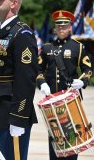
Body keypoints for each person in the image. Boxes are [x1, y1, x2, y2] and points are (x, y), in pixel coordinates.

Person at [0, 0, 38, 160]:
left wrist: (19, 117)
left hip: (10, 112)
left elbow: (26, 79)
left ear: (13, 3)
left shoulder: (22, 34)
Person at [37, 10, 92, 160]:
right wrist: (42, 83)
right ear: (55, 29)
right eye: (58, 27)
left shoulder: (78, 47)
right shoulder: (47, 47)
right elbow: (38, 69)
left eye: (64, 26)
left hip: (70, 100)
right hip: (52, 100)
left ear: (70, 28)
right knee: (55, 138)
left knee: (72, 137)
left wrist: (82, 81)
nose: (61, 29)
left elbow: (88, 69)